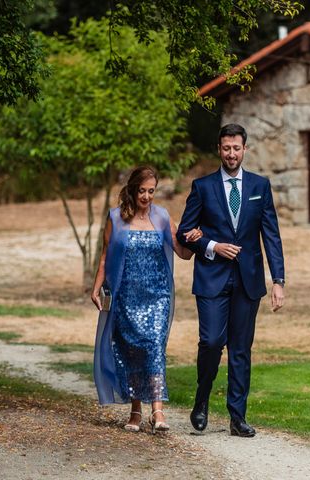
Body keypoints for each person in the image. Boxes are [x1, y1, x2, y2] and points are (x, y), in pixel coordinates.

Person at [177, 123, 285, 437]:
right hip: (211, 278)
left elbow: (272, 237)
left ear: (244, 149)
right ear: (219, 149)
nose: (231, 154)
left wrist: (278, 280)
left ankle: (238, 417)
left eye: (236, 148)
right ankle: (201, 397)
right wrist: (211, 246)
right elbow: (186, 231)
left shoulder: (259, 186)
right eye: (226, 148)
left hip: (248, 281)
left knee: (240, 349)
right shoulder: (203, 187)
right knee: (211, 342)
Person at [91, 166, 202, 433]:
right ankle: (135, 412)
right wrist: (96, 289)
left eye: (151, 191)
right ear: (132, 189)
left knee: (153, 347)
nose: (147, 196)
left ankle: (158, 412)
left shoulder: (163, 217)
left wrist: (195, 240)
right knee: (132, 353)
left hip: (158, 296)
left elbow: (183, 253)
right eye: (142, 190)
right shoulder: (116, 218)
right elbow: (106, 256)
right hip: (126, 295)